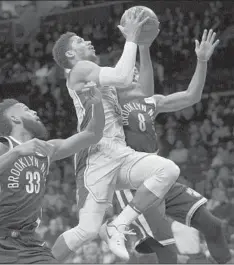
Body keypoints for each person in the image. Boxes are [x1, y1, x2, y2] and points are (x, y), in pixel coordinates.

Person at [51, 11, 180, 261]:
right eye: (78, 40)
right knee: (86, 230)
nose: (86, 41)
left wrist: (143, 47)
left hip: (120, 152)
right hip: (96, 157)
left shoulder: (99, 75)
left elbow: (144, 92)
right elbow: (123, 75)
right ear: (69, 54)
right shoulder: (79, 69)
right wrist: (131, 37)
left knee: (168, 169)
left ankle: (117, 225)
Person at [115, 28, 231, 264]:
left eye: (137, 70)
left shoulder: (150, 102)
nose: (135, 72)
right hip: (134, 182)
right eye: (130, 70)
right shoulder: (110, 103)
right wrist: (140, 45)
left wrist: (201, 60)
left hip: (161, 177)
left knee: (214, 226)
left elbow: (191, 96)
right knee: (164, 250)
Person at [0, 86, 105, 264]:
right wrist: (17, 152)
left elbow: (93, 134)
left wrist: (98, 105)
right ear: (14, 118)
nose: (34, 111)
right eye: (26, 109)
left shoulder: (46, 149)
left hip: (28, 243)